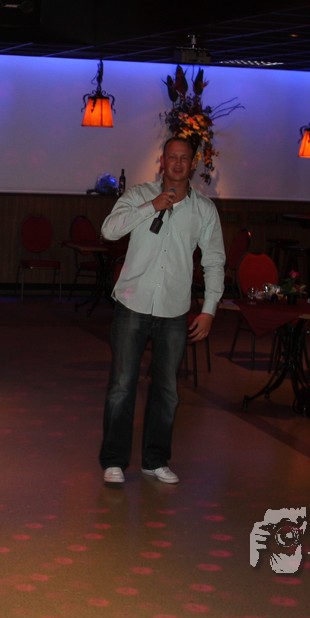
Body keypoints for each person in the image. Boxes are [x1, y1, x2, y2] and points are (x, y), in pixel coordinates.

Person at [99, 136, 225, 485]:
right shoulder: (138, 195)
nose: (178, 163)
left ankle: (155, 460)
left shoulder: (204, 210)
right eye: (172, 157)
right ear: (162, 161)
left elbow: (214, 261)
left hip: (173, 309)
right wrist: (151, 206)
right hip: (133, 303)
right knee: (122, 386)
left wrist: (209, 309)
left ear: (193, 164)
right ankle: (114, 461)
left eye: (185, 158)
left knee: (167, 390)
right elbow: (109, 231)